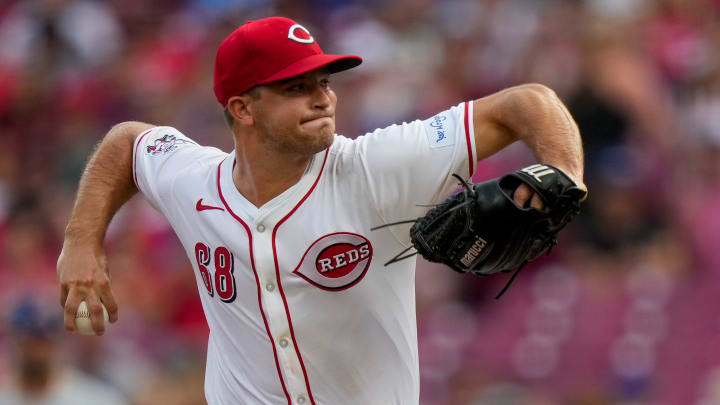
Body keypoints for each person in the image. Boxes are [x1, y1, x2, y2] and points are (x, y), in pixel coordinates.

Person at [56, 16, 586, 405]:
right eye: (298, 88)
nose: (323, 99)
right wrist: (81, 240)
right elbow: (129, 143)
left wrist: (566, 178)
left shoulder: (376, 166)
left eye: (325, 83)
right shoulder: (194, 180)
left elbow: (529, 102)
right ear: (242, 108)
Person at [0, 297, 127, 405]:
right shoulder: (5, 397)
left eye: (43, 340)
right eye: (30, 340)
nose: (37, 350)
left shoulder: (97, 399)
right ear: (14, 341)